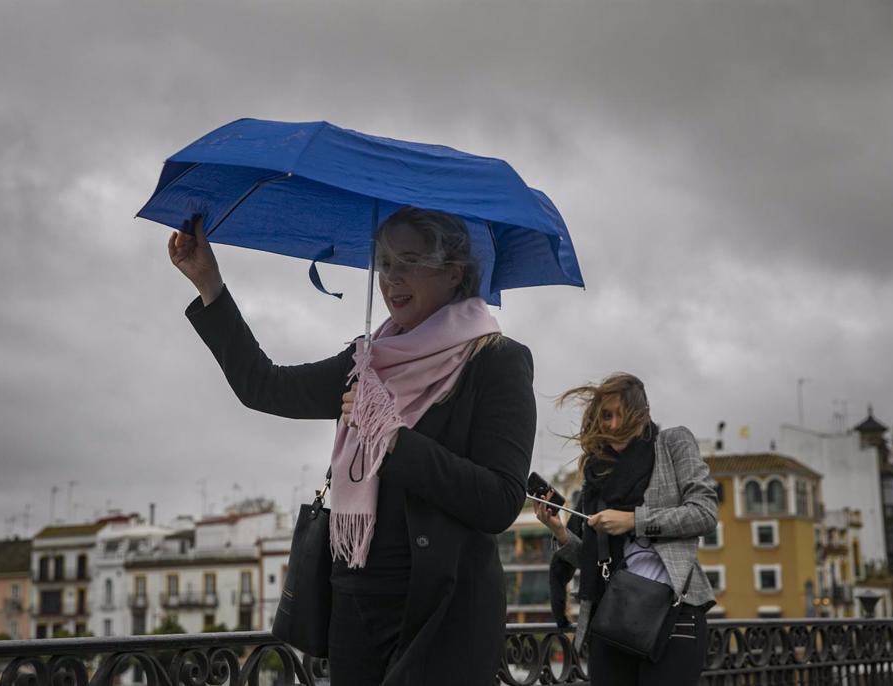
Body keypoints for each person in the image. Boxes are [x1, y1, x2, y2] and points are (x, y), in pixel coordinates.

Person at [169, 207, 537, 686]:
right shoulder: (367, 361)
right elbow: (264, 386)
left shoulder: (496, 361)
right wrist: (209, 284)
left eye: (410, 261)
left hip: (440, 616)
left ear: (454, 273)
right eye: (384, 263)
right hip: (355, 606)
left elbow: (499, 501)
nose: (392, 278)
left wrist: (392, 438)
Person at [533, 373, 717, 686]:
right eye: (606, 415)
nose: (614, 424)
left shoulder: (672, 443)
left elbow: (704, 513)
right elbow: (595, 562)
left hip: (675, 613)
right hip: (614, 616)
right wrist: (560, 532)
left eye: (623, 414)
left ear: (643, 414)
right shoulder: (597, 472)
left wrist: (633, 520)